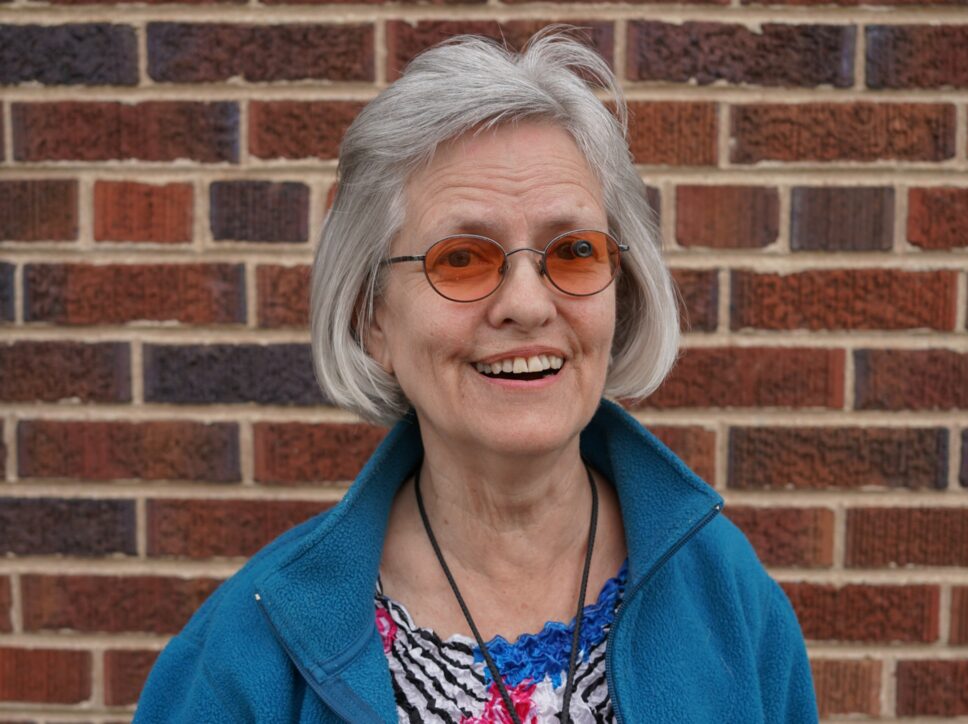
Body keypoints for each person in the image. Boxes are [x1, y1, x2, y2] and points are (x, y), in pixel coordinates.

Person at [135, 29, 817, 723]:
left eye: (575, 251)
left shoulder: (727, 598)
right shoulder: (251, 649)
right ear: (373, 318)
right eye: (461, 258)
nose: (526, 304)